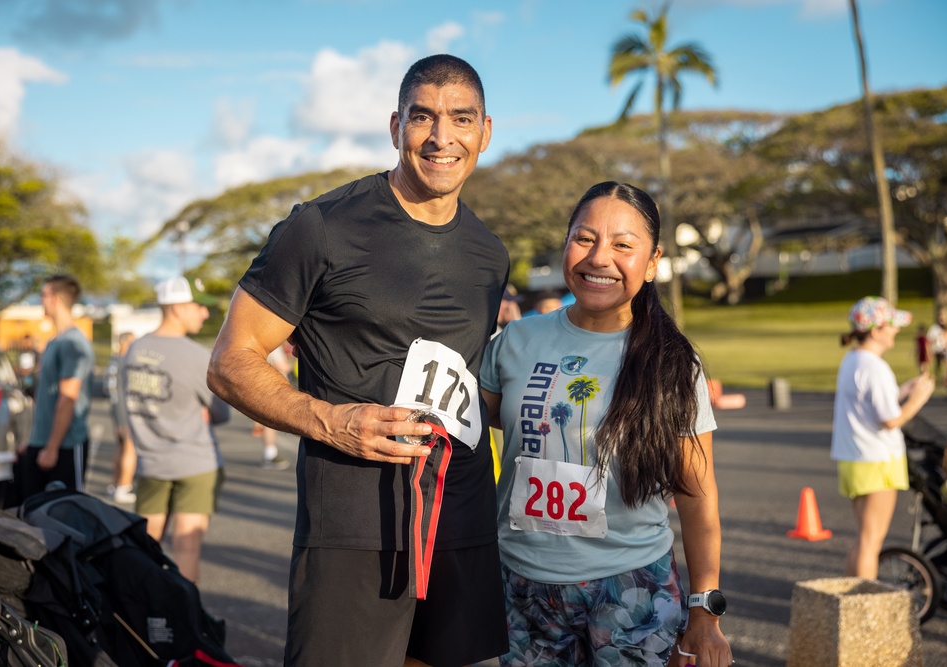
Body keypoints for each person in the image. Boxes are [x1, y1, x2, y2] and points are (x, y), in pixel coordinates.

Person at [207, 54, 509, 667]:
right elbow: (230, 361)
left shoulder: (488, 252)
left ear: (485, 131)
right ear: (396, 126)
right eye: (422, 117)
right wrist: (332, 422)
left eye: (461, 118)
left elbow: (471, 380)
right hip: (354, 525)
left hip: (461, 516)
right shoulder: (319, 228)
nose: (441, 137)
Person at [480, 182, 732, 667]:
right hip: (522, 589)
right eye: (584, 238)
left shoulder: (673, 363)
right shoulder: (515, 340)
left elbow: (698, 498)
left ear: (653, 261)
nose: (599, 258)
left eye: (622, 245)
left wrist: (704, 614)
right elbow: (482, 420)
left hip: (630, 590)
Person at [121, 276, 230, 583]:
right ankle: (184, 622)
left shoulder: (134, 350)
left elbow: (125, 406)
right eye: (199, 307)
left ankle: (147, 618)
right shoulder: (195, 355)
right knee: (187, 550)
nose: (205, 314)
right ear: (178, 308)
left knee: (147, 547)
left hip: (151, 463)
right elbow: (221, 412)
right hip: (195, 463)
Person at [831, 296, 935, 579]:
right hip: (877, 460)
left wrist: (901, 391)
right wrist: (918, 398)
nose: (896, 331)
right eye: (892, 326)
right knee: (871, 540)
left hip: (855, 459)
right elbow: (891, 420)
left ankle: (849, 603)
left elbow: (869, 403)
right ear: (876, 331)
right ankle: (864, 609)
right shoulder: (875, 367)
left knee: (863, 537)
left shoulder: (852, 359)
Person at [16, 275, 95, 501]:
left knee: (65, 515)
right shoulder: (55, 341)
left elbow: (67, 398)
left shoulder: (73, 343)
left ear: (55, 298)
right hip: (42, 443)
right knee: (31, 515)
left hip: (65, 446)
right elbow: (45, 398)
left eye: (42, 295)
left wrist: (52, 447)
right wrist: (32, 440)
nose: (40, 301)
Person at [107, 331, 137, 504]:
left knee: (120, 447)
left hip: (116, 408)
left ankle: (115, 483)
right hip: (124, 409)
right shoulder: (123, 361)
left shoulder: (114, 360)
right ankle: (124, 486)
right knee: (129, 447)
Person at [257, 344, 295, 469]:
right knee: (270, 424)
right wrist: (290, 361)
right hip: (273, 389)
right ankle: (270, 455)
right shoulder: (274, 347)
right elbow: (283, 366)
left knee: (268, 423)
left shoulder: (263, 345)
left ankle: (270, 453)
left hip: (267, 387)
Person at [13, 333, 41, 398]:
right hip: (22, 381)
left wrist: (30, 371)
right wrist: (20, 370)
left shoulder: (35, 353)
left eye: (28, 342)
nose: (26, 344)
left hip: (33, 382)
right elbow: (16, 366)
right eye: (24, 342)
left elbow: (39, 365)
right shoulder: (20, 353)